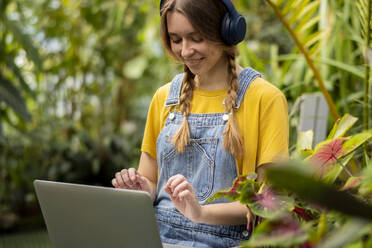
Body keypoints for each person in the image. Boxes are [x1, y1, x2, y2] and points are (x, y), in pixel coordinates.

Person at [112, 0, 289, 247]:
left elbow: (267, 201)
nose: (185, 51)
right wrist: (142, 190)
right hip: (156, 236)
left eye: (196, 38)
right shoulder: (164, 98)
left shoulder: (264, 98)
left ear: (226, 31)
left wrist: (200, 213)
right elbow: (151, 180)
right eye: (176, 40)